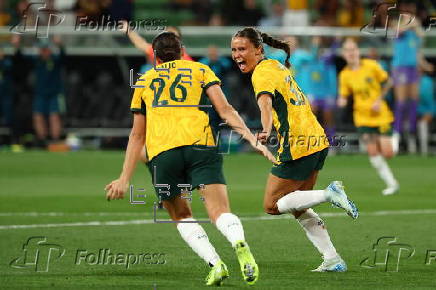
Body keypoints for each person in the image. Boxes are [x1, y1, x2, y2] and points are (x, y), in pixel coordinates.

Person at [105, 31, 277, 286]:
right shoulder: (200, 70)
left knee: (181, 215)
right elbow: (225, 110)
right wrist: (253, 141)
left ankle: (215, 263)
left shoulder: (145, 81)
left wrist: (124, 178)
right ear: (181, 49)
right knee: (219, 211)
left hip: (164, 153)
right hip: (201, 146)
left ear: (156, 56)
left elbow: (137, 134)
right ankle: (238, 242)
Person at [231, 27, 358, 272]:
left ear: (258, 50)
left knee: (272, 204)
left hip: (297, 143)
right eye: (234, 49)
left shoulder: (261, 74)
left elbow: (265, 104)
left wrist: (266, 130)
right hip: (316, 139)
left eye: (242, 49)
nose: (237, 54)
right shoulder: (276, 66)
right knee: (297, 206)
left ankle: (329, 194)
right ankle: (332, 259)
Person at [338, 38, 399, 195]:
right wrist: (342, 100)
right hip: (362, 117)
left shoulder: (371, 66)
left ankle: (396, 135)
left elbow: (389, 82)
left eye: (353, 49)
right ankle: (391, 184)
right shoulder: (345, 75)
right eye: (347, 50)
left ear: (358, 51)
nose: (351, 53)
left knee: (388, 153)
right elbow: (344, 94)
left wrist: (379, 100)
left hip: (380, 115)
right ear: (344, 54)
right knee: (372, 151)